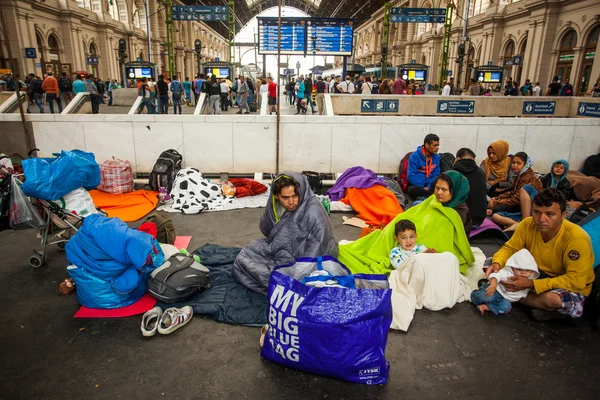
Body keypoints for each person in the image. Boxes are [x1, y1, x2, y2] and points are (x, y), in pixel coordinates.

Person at [486, 188, 595, 321]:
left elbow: (575, 280)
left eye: (550, 214)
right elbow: (510, 249)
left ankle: (509, 296)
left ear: (563, 215)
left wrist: (531, 284)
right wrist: (497, 263)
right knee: (491, 262)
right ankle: (529, 301)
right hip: (536, 273)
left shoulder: (577, 239)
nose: (541, 219)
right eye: (536, 212)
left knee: (552, 299)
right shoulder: (527, 224)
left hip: (565, 283)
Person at [233, 172, 338, 294]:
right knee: (249, 250)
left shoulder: (313, 213)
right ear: (276, 196)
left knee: (257, 268)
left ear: (301, 192)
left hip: (307, 258)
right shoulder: (279, 204)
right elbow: (268, 229)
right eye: (285, 198)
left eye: (295, 196)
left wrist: (296, 270)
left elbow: (316, 249)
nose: (291, 202)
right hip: (286, 248)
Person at [472, 249, 540, 315]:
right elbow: (495, 275)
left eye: (528, 270)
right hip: (496, 291)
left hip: (506, 299)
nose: (523, 272)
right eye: (519, 269)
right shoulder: (507, 273)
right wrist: (493, 285)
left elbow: (534, 288)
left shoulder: (531, 279)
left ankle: (486, 307)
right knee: (484, 297)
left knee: (506, 307)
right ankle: (481, 290)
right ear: (513, 267)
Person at [488, 152, 543, 230]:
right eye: (513, 163)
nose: (514, 165)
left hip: (530, 208)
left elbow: (516, 200)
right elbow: (512, 191)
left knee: (497, 208)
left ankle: (524, 225)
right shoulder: (519, 176)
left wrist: (496, 202)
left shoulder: (527, 178)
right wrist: (496, 198)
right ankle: (517, 224)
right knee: (495, 216)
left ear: (525, 165)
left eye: (518, 163)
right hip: (519, 206)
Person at [453, 148, 487, 228]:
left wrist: (454, 166)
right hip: (478, 221)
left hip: (458, 221)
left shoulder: (453, 173)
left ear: (457, 158)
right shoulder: (481, 173)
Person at [407, 134, 440, 199]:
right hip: (417, 185)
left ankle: (425, 197)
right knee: (413, 190)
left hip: (430, 185)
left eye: (438, 145)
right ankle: (429, 197)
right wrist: (422, 187)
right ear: (427, 145)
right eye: (435, 145)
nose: (437, 148)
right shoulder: (414, 156)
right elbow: (410, 176)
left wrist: (429, 186)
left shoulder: (437, 157)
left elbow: (436, 174)